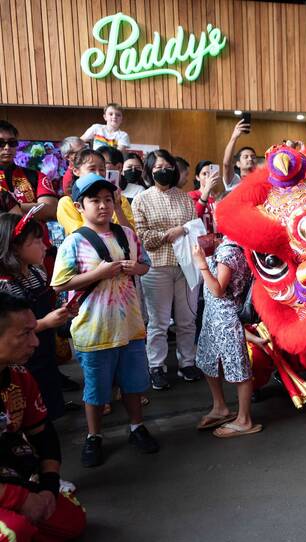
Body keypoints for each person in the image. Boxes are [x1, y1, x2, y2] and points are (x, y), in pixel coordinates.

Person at [51, 174, 158, 467]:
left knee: (134, 384)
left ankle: (137, 427)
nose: (102, 206)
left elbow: (145, 265)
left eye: (108, 200)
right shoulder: (74, 242)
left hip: (131, 326)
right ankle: (94, 436)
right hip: (94, 329)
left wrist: (136, 268)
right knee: (96, 390)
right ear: (79, 206)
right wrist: (99, 273)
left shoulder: (128, 234)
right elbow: (59, 284)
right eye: (94, 200)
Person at [0, 293, 86, 542]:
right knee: (13, 534)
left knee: (72, 520)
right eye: (25, 334)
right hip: (8, 490)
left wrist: (48, 489)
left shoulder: (19, 375)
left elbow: (42, 434)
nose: (35, 342)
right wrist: (22, 500)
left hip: (10, 477)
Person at [132, 149, 202, 390]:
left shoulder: (184, 197)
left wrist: (184, 230)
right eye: (158, 167)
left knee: (187, 320)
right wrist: (169, 234)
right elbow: (142, 236)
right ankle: (156, 366)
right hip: (156, 266)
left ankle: (187, 363)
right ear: (150, 172)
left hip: (186, 265)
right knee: (159, 322)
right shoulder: (142, 198)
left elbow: (194, 227)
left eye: (168, 167)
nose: (164, 171)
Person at [0, 213, 76, 419]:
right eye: (36, 241)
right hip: (23, 360)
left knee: (49, 394)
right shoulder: (5, 285)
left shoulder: (37, 273)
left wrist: (63, 313)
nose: (44, 246)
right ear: (14, 246)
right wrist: (46, 322)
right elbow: (10, 332)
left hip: (45, 350)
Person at [193, 239, 263, 438]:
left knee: (238, 368)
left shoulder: (229, 251)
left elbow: (217, 290)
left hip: (226, 317)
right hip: (213, 316)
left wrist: (201, 264)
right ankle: (220, 408)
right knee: (208, 361)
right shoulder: (229, 245)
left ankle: (244, 419)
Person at [56, 149, 134, 236]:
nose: (98, 174)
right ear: (76, 171)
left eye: (102, 169)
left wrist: (118, 208)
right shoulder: (67, 202)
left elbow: (132, 236)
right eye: (92, 169)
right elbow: (81, 236)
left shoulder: (119, 198)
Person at [0, 120, 58, 222]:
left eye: (12, 142)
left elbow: (50, 209)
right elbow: (42, 208)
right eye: (1, 143)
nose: (7, 147)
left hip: (33, 237)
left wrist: (9, 206)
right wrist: (32, 209)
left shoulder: (37, 176)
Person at [189, 161, 224, 233]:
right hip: (202, 240)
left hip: (220, 240)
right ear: (197, 177)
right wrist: (207, 189)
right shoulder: (192, 195)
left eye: (210, 173)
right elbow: (195, 216)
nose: (208, 177)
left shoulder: (220, 197)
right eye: (204, 174)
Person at [222, 120, 256, 191]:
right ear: (238, 163)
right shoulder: (234, 180)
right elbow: (226, 164)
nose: (250, 159)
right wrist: (234, 137)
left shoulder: (260, 180)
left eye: (253, 157)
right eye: (245, 157)